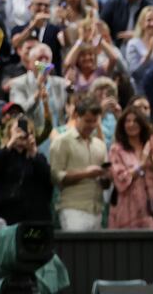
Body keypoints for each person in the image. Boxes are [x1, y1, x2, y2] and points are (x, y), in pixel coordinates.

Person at [49, 94, 108, 231]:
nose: (91, 125)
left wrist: (107, 177)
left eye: (95, 121)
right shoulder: (62, 142)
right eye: (88, 121)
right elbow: (56, 176)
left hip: (97, 209)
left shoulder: (100, 145)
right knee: (76, 252)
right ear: (77, 117)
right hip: (73, 208)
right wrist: (86, 173)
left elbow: (105, 183)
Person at [108, 105, 153, 229]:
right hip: (127, 213)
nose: (131, 124)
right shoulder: (117, 150)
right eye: (128, 121)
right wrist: (141, 165)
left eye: (135, 121)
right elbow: (120, 180)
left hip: (152, 214)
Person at [0, 117, 53, 225]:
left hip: (32, 215)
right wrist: (11, 143)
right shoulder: (1, 153)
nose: (22, 134)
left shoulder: (37, 157)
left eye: (27, 131)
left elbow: (47, 178)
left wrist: (33, 152)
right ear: (9, 132)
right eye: (18, 130)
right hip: (4, 212)